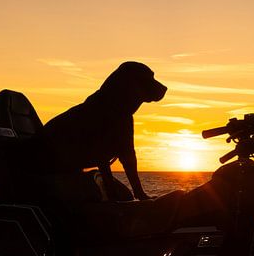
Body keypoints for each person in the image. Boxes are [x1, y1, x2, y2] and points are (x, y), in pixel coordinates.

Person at [39, 61, 167, 201]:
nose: (160, 87)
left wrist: (140, 194)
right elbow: (101, 155)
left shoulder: (122, 114)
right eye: (148, 80)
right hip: (47, 160)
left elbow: (128, 156)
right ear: (130, 85)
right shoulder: (100, 111)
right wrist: (112, 197)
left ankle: (134, 194)